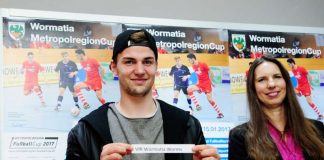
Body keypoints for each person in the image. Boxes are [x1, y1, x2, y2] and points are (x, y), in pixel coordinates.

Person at [66, 30, 220, 160]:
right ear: (114, 67)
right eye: (129, 62)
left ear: (156, 67)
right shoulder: (85, 131)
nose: (140, 71)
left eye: (147, 62)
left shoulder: (188, 125)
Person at [228, 56, 324, 160]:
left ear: (286, 82)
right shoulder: (240, 138)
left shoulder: (317, 129)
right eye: (261, 80)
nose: (271, 84)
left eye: (277, 77)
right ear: (253, 89)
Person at [186, 53, 224, 118]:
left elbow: (211, 72)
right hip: (200, 84)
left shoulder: (203, 64)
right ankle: (197, 105)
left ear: (193, 59)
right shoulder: (193, 66)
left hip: (206, 84)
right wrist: (197, 86)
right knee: (189, 89)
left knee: (210, 100)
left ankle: (220, 113)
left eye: (189, 60)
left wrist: (211, 82)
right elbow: (198, 75)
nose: (188, 61)